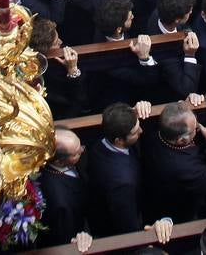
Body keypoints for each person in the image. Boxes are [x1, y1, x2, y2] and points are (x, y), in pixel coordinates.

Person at [84, 102, 146, 235]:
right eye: (135, 132)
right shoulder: (123, 183)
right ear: (119, 141)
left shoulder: (100, 142)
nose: (141, 131)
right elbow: (128, 224)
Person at [36, 128, 87, 247]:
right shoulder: (60, 200)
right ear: (59, 161)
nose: (82, 150)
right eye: (77, 153)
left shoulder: (68, 160)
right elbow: (66, 234)